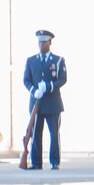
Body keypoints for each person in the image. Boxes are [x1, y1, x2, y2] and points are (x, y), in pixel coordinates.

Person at [22, 29, 67, 170]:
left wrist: (49, 86)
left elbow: (62, 79)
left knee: (54, 134)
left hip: (53, 103)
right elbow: (26, 80)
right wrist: (34, 90)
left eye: (44, 42)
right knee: (35, 134)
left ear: (50, 42)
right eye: (39, 42)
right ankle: (36, 162)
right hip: (36, 103)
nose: (41, 45)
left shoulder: (58, 60)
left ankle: (55, 161)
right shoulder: (31, 60)